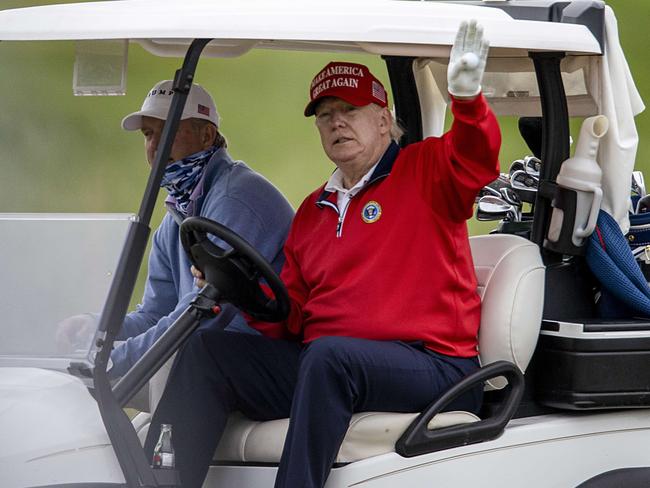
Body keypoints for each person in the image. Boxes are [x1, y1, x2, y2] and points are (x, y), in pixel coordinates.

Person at [146, 20, 500, 488]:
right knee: (205, 350)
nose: (336, 122)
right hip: (330, 368)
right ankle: (159, 482)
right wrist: (243, 293)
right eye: (325, 114)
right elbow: (289, 318)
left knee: (330, 357)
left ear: (381, 118)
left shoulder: (426, 170)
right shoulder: (314, 211)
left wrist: (468, 101)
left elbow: (476, 157)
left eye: (350, 109)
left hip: (433, 365)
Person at [57, 80, 294, 378]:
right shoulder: (177, 217)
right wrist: (97, 328)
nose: (154, 146)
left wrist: (113, 359)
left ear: (206, 135)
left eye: (168, 132)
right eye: (148, 134)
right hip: (210, 357)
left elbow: (200, 314)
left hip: (259, 361)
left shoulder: (237, 198)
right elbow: (155, 315)